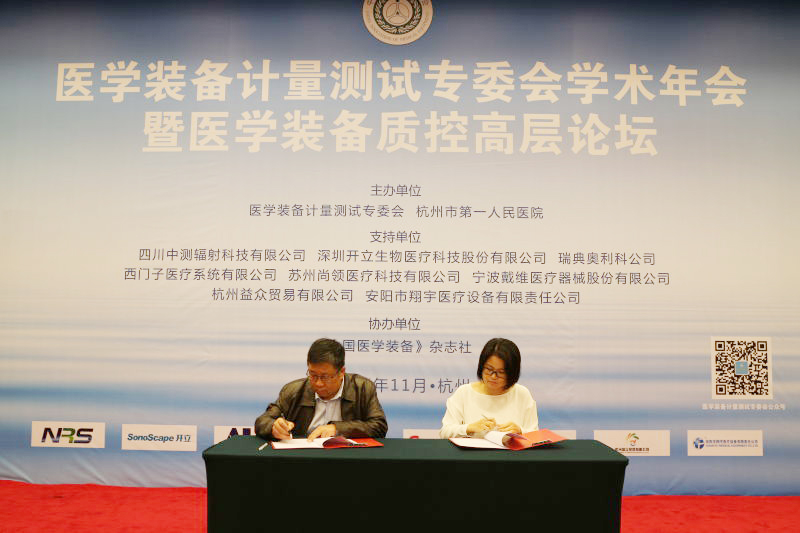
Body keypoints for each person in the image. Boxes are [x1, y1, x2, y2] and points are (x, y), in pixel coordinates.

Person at [255, 338, 388, 441]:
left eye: (325, 377)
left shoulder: (362, 388)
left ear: (341, 372)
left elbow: (379, 426)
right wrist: (273, 426)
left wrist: (337, 428)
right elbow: (263, 421)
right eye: (313, 375)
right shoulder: (293, 391)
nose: (318, 383)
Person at [440, 338, 538, 439]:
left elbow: (535, 436)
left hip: (512, 449)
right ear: (481, 366)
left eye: (501, 372)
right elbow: (445, 432)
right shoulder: (464, 393)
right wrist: (469, 428)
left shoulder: (522, 394)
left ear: (512, 372)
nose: (493, 376)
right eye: (489, 369)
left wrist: (521, 431)